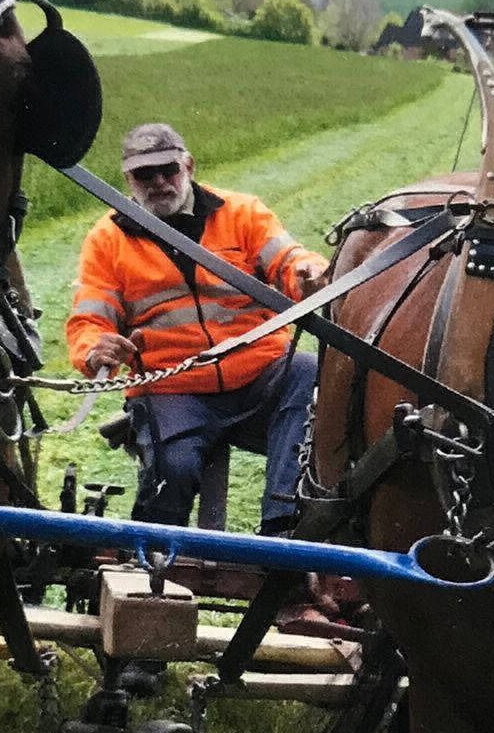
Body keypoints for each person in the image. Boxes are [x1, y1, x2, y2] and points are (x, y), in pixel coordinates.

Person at [66, 121, 329, 536]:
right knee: (173, 470)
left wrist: (310, 275)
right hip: (172, 386)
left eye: (168, 170)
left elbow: (290, 261)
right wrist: (95, 348)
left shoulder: (242, 213)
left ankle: (283, 529)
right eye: (145, 174)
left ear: (188, 166)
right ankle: (154, 555)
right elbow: (90, 318)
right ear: (128, 180)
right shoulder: (107, 240)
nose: (158, 182)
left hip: (260, 372)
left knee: (309, 375)